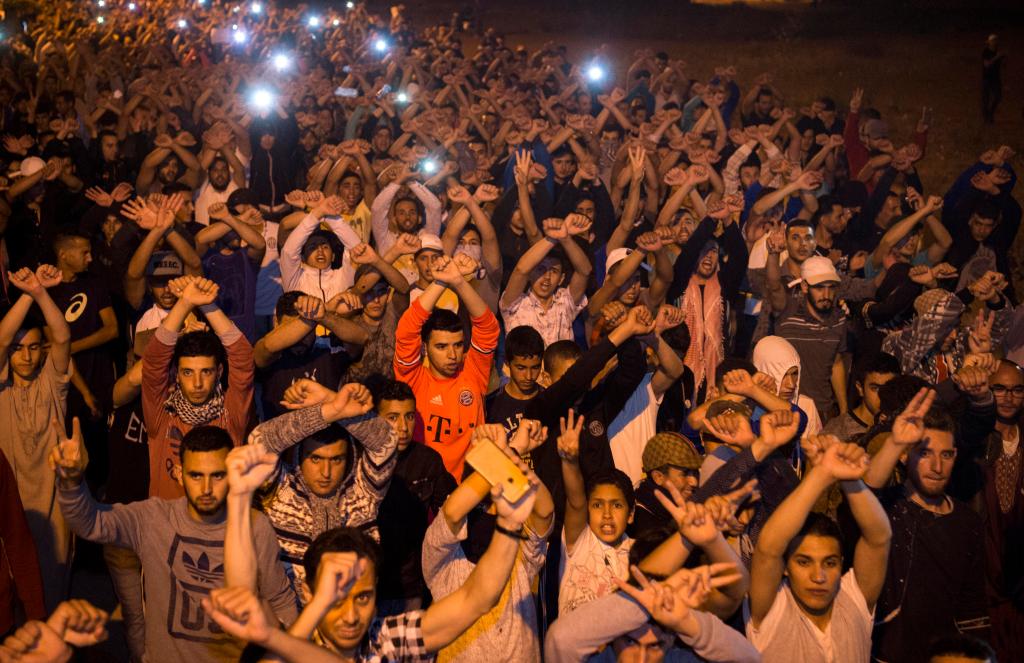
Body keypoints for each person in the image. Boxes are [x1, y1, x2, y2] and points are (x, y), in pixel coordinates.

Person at [202, 446, 543, 661]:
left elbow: (476, 599)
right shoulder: (288, 642)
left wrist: (510, 526)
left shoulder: (387, 641)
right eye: (336, 598)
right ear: (307, 591)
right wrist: (238, 497)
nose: (351, 616)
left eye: (362, 597)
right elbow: (241, 596)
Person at [51, 419, 298, 662]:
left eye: (218, 476)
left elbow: (279, 599)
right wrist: (71, 483)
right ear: (179, 474)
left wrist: (289, 650)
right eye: (196, 475)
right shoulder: (153, 517)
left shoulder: (254, 525)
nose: (206, 488)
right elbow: (91, 523)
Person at [228, 379, 397, 598]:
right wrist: (329, 410)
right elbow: (259, 440)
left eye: (336, 459)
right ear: (299, 457)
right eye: (315, 459)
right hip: (288, 620)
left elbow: (387, 441)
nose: (326, 472)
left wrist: (332, 398)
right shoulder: (281, 489)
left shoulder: (363, 493)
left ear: (350, 459)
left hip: (350, 616)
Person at [864, 389, 991, 663]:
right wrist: (896, 441)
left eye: (946, 455)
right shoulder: (887, 508)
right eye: (925, 453)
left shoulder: (967, 521)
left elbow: (973, 606)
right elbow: (866, 493)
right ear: (904, 455)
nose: (936, 466)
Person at [746, 435, 891, 662]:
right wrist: (822, 473)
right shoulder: (772, 607)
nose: (818, 576)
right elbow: (768, 547)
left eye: (830, 562)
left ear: (842, 563)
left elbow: (879, 538)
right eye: (803, 562)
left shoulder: (853, 600)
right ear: (785, 567)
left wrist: (850, 480)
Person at [421, 423, 553, 662]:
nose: (495, 511)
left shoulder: (517, 550)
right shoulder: (444, 560)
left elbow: (544, 513)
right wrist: (504, 453)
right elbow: (452, 512)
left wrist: (509, 454)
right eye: (486, 504)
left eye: (501, 504)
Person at [141, 276, 254, 499]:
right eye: (188, 372)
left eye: (206, 371)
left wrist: (207, 305)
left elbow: (243, 358)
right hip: (167, 527)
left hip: (219, 527)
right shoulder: (163, 413)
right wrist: (184, 303)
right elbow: (154, 363)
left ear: (219, 373)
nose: (198, 383)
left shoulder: (231, 414)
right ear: (177, 375)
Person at [0, 265, 72, 612]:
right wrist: (28, 294)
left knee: (52, 593)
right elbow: (0, 337)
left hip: (53, 507)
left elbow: (62, 337)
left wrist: (42, 294)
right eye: (18, 349)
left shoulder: (51, 383)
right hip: (11, 509)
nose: (26, 357)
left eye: (32, 348)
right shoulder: (2, 388)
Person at [393, 254, 499, 480]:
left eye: (458, 345)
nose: (453, 355)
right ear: (425, 348)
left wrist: (459, 281)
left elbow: (488, 329)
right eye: (441, 346)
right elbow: (407, 330)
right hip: (420, 492)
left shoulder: (472, 372)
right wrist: (440, 282)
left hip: (466, 490)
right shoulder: (412, 379)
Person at [373, 379, 456, 614]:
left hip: (412, 588)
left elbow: (451, 513)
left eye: (409, 416)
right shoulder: (362, 459)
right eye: (392, 417)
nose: (402, 427)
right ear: (375, 419)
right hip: (370, 586)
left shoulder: (428, 461)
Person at [982, 360, 1024, 662]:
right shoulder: (975, 442)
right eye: (1000, 389)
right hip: (983, 579)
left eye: (1017, 390)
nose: (1009, 397)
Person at [981, 34, 1005, 124]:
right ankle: (987, 118)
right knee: (985, 100)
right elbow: (986, 64)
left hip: (996, 78)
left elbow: (1002, 65)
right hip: (987, 78)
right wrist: (997, 57)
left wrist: (1003, 58)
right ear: (989, 43)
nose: (994, 42)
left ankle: (990, 113)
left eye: (995, 41)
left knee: (998, 97)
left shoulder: (997, 52)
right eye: (992, 41)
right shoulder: (986, 52)